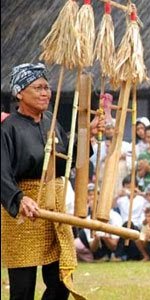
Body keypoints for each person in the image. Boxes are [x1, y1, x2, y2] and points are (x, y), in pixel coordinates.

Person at [1, 63, 103, 299]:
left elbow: (66, 158)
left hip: (54, 207)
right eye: (38, 88)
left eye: (47, 87)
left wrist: (88, 132)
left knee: (61, 281)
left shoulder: (50, 122)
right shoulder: (8, 129)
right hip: (24, 212)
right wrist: (19, 198)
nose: (45, 93)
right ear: (19, 92)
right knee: (23, 289)